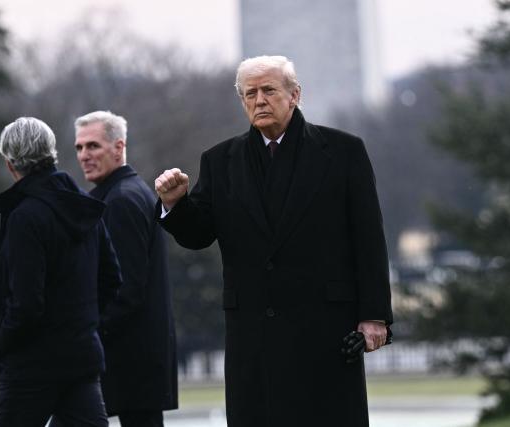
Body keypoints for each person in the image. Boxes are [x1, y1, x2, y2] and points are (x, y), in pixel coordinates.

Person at [154, 55, 393, 427]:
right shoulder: (219, 160)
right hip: (254, 332)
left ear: (295, 95)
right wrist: (175, 204)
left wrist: (374, 316)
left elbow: (369, 238)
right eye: (250, 93)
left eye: (268, 90)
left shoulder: (344, 151)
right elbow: (199, 234)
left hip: (323, 328)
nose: (259, 100)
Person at [0, 117, 122, 427]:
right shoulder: (83, 206)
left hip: (31, 366)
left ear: (10, 164)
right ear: (52, 154)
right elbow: (112, 277)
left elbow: (27, 302)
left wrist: (0, 341)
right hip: (80, 358)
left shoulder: (25, 216)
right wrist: (82, 322)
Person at [74, 110, 178, 427]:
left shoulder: (121, 201)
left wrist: (88, 332)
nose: (84, 156)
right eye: (79, 148)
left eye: (93, 146)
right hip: (134, 357)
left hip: (130, 358)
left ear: (118, 148)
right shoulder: (124, 194)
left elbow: (126, 288)